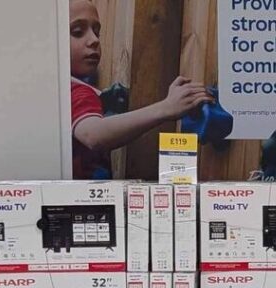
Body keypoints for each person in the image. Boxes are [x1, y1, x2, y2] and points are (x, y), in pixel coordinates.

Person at [70, 0, 212, 179]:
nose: (94, 40)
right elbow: (93, 135)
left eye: (97, 32)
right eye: (78, 32)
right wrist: (166, 108)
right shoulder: (75, 91)